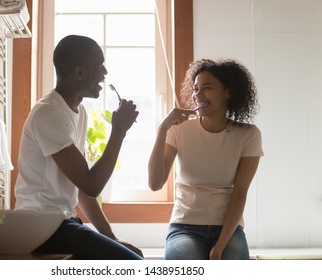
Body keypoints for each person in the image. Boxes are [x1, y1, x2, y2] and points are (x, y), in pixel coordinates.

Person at [14, 35, 142, 260]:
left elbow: (83, 191)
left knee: (128, 259)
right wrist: (119, 132)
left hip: (62, 223)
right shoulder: (48, 114)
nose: (105, 73)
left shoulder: (78, 112)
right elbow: (91, 185)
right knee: (132, 264)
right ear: (79, 73)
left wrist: (112, 238)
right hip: (40, 226)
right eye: (100, 66)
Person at [148, 59, 264, 260]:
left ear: (228, 92)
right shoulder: (178, 130)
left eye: (207, 88)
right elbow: (155, 183)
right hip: (184, 227)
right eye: (195, 89)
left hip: (228, 228)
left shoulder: (248, 135)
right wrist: (162, 129)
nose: (197, 94)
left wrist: (220, 246)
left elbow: (239, 195)